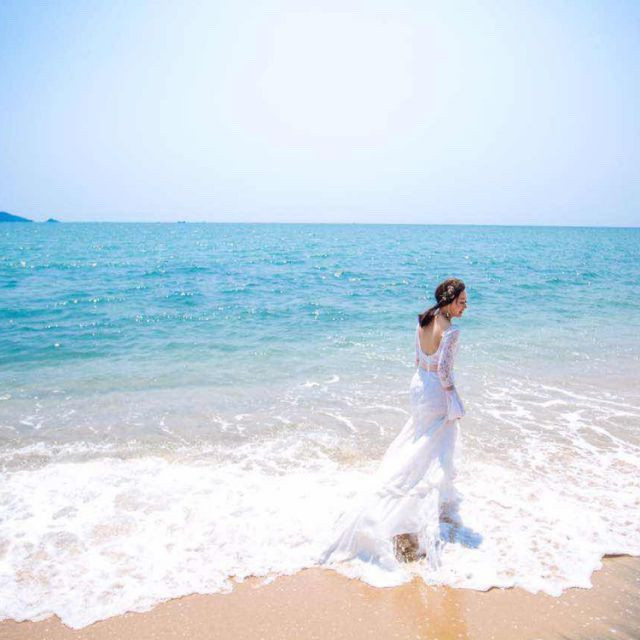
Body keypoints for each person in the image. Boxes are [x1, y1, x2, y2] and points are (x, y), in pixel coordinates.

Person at [317, 278, 468, 573]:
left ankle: (404, 514)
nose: (465, 307)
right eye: (462, 302)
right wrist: (455, 401)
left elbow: (418, 360)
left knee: (417, 447)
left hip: (418, 387)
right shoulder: (450, 331)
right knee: (430, 457)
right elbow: (445, 373)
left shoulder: (423, 320)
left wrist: (427, 386)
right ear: (450, 302)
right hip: (436, 393)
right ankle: (410, 524)